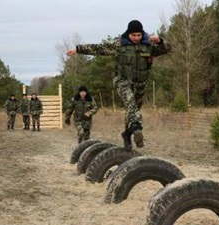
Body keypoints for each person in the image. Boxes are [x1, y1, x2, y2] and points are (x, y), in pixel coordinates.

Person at [66, 20, 171, 150]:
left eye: (139, 35)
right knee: (129, 101)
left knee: (132, 110)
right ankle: (137, 128)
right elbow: (99, 48)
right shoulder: (119, 44)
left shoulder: (148, 44)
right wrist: (77, 49)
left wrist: (160, 41)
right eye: (134, 35)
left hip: (140, 84)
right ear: (128, 34)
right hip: (122, 81)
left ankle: (127, 134)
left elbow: (166, 49)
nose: (137, 38)